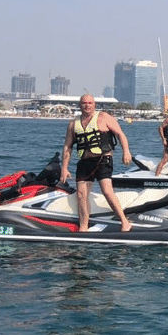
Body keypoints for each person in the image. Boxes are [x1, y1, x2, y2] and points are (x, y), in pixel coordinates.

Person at [59, 94, 133, 232]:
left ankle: (125, 222)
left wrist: (126, 151)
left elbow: (120, 134)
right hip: (85, 162)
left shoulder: (103, 117)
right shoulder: (73, 124)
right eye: (84, 103)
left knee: (107, 191)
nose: (87, 105)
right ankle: (83, 227)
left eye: (90, 103)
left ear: (94, 105)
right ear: (80, 105)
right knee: (81, 195)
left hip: (103, 160)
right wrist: (64, 168)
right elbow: (67, 146)